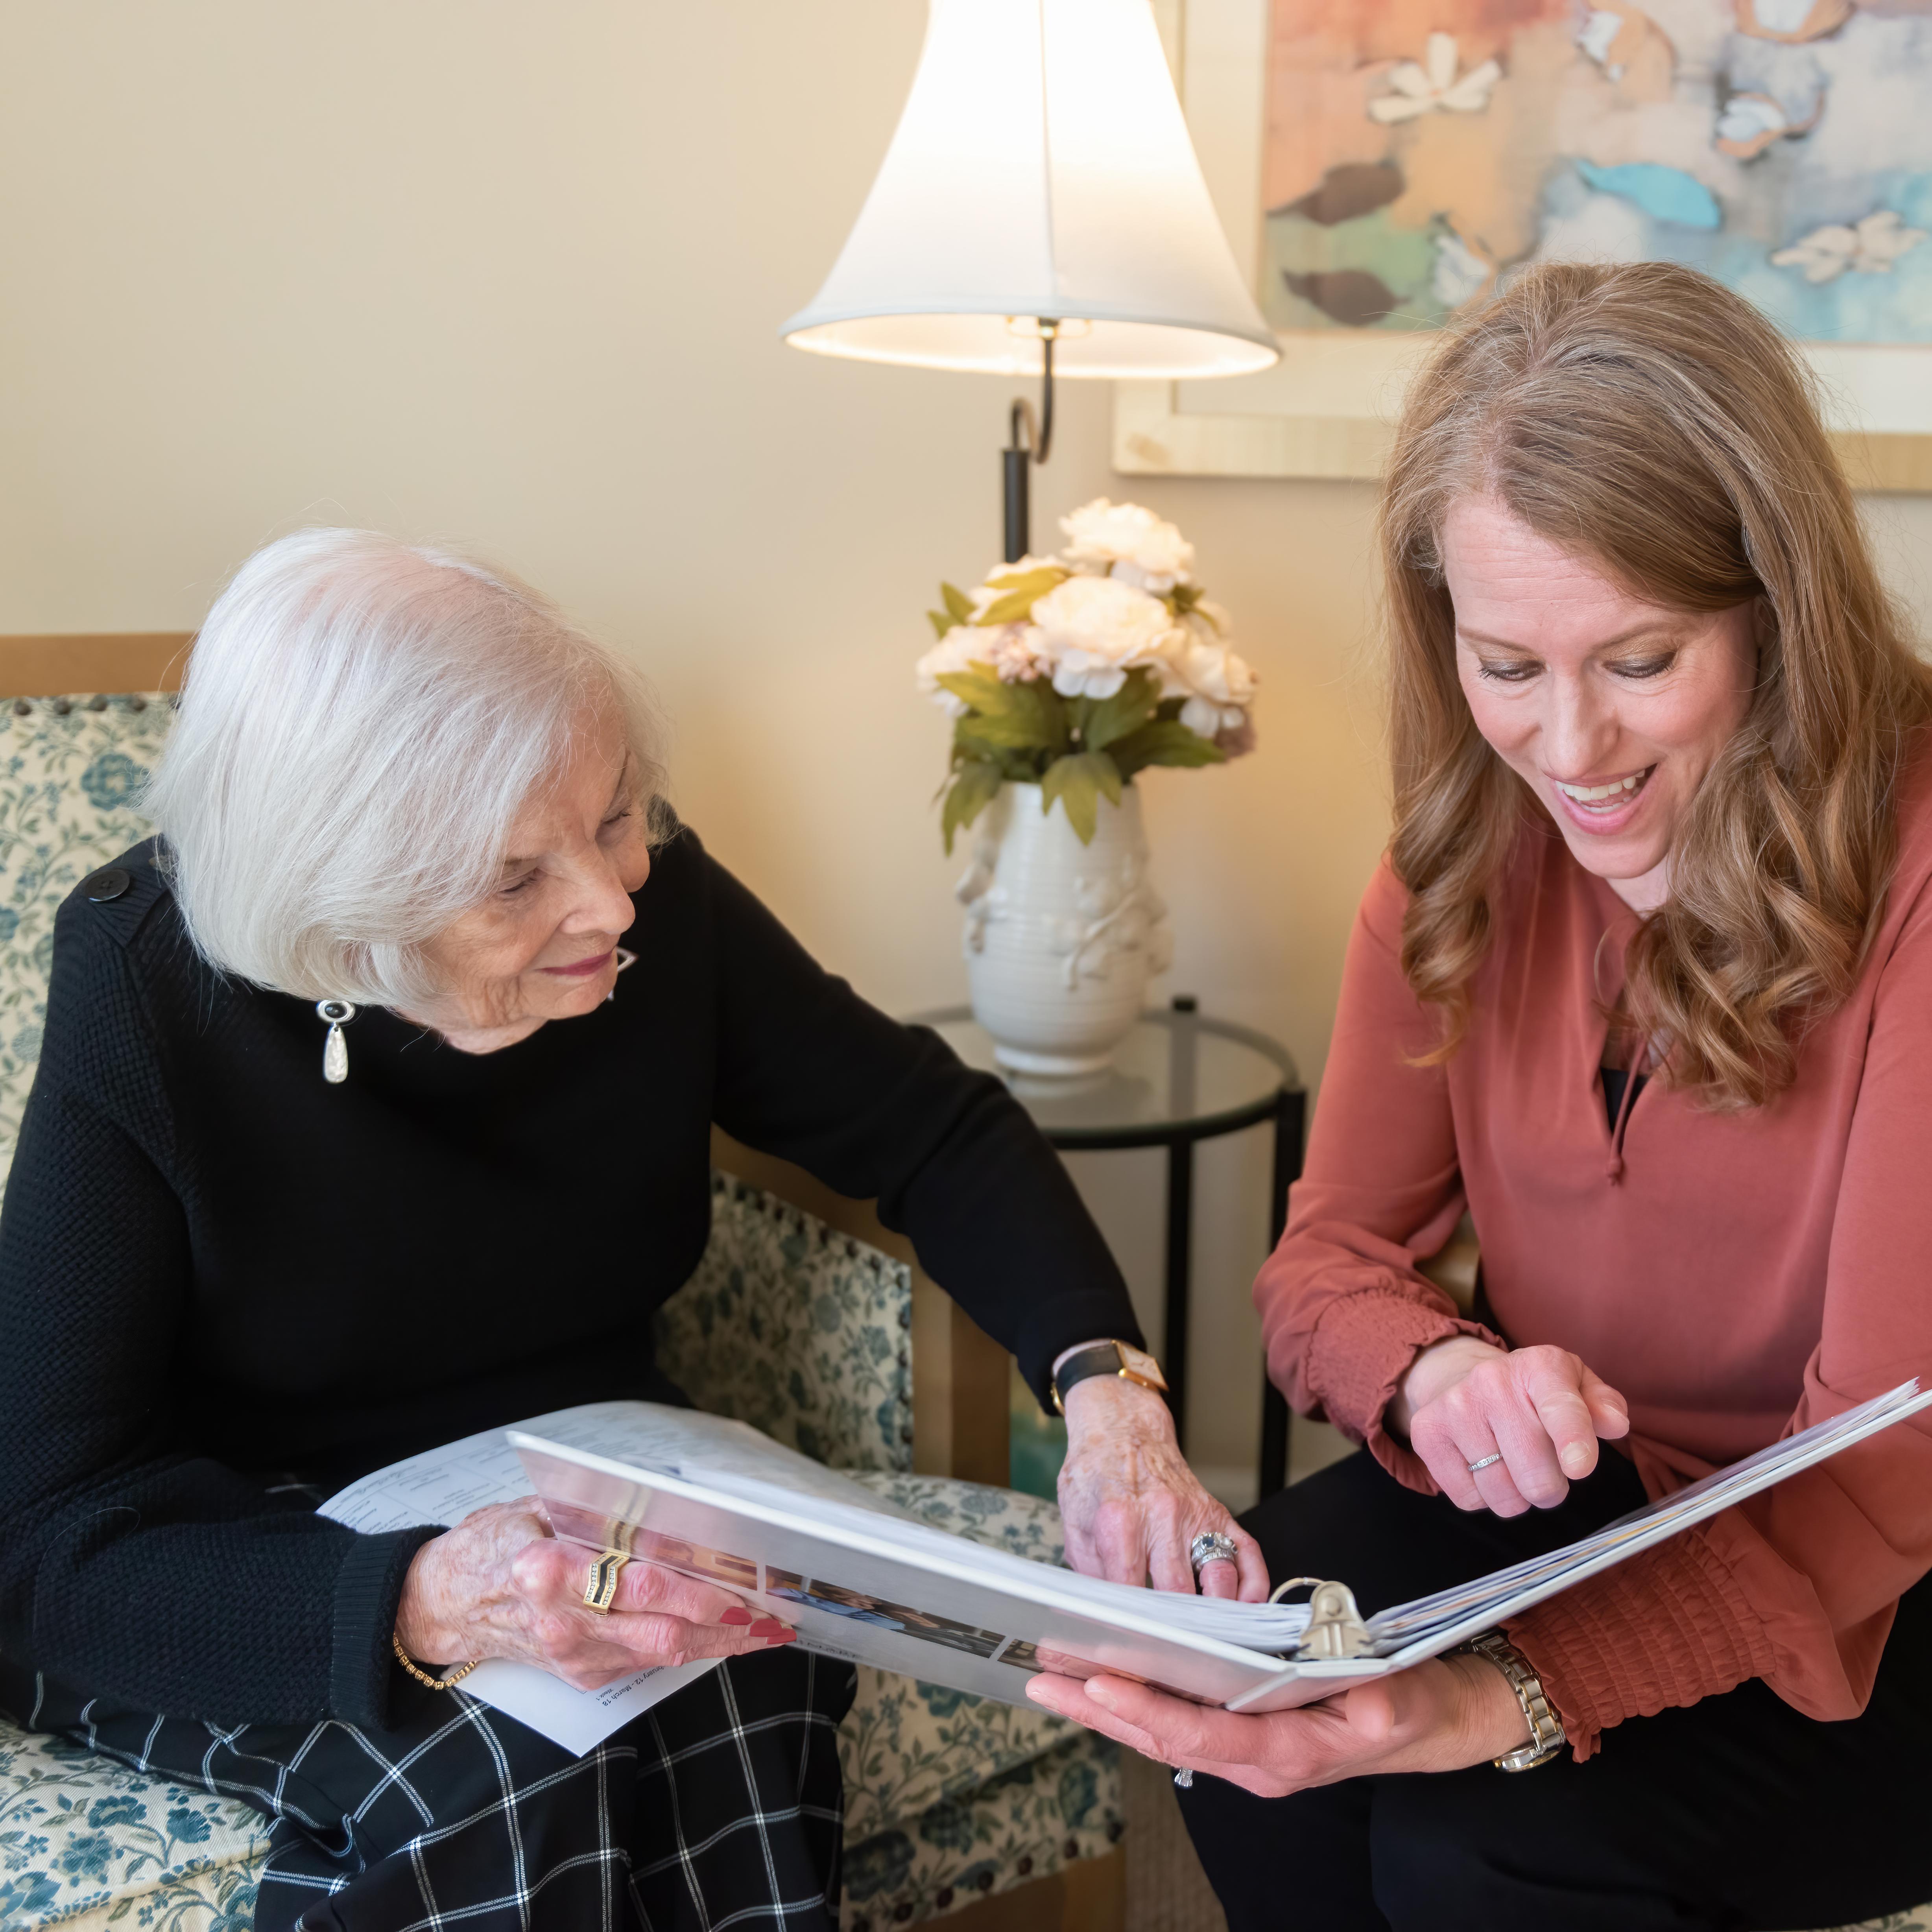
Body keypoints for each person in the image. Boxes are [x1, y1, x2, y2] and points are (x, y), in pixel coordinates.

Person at [0, 530, 1261, 1932]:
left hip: (593, 1480)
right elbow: (43, 1532)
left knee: (741, 1660)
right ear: (343, 912)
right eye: (515, 877)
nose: (610, 902)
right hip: (253, 1543)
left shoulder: (655, 910)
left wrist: (1111, 1397)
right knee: (507, 1759)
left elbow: (932, 1130)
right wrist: (418, 1601)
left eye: (613, 818)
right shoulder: (147, 982)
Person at [1027, 260, 1932, 1930]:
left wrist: (1498, 1698)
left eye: (1641, 659)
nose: (1569, 746)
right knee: (1249, 1701)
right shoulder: (1463, 861)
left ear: (1776, 614)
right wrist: (1436, 1368)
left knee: (1479, 1837)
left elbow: (1885, 1466)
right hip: (1590, 1509)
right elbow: (1319, 1271)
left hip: (1881, 1571)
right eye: (1504, 663)